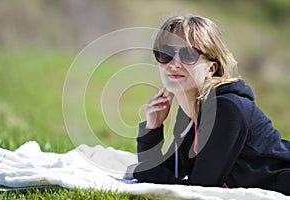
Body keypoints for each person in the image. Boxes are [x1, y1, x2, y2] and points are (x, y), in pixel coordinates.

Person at [123, 15, 290, 195]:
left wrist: (142, 172)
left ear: (211, 68)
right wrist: (153, 127)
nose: (174, 64)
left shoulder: (227, 108)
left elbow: (200, 189)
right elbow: (166, 172)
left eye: (188, 54)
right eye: (166, 54)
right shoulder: (190, 114)